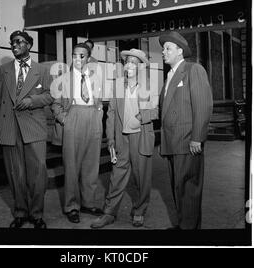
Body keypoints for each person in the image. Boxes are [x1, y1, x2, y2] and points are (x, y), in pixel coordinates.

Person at [0, 30, 53, 229]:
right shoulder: (2, 70)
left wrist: (31, 101)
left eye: (19, 41)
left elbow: (50, 96)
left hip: (33, 126)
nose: (14, 45)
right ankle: (20, 212)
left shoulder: (41, 69)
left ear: (29, 45)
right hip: (9, 128)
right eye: (12, 42)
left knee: (38, 173)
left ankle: (36, 215)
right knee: (15, 174)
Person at [91, 49, 158, 229]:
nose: (129, 65)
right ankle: (109, 213)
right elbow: (111, 113)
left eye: (134, 63)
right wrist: (111, 139)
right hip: (121, 138)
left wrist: (140, 117)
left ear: (140, 67)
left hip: (141, 136)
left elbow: (156, 110)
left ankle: (139, 210)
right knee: (117, 176)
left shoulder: (149, 86)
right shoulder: (118, 85)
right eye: (127, 62)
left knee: (141, 176)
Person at [159, 31, 213, 230]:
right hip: (173, 142)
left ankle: (189, 231)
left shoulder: (193, 70)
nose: (163, 52)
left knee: (188, 189)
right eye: (163, 49)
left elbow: (203, 105)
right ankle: (184, 225)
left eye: (168, 48)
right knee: (178, 188)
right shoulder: (170, 75)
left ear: (180, 51)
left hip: (188, 141)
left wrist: (197, 138)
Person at [51, 43, 103, 224]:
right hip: (73, 118)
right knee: (72, 167)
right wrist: (65, 119)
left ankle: (88, 203)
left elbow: (99, 101)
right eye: (75, 55)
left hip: (93, 119)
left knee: (91, 165)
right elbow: (55, 105)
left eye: (82, 56)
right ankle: (72, 206)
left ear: (88, 59)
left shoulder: (95, 78)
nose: (78, 59)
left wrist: (99, 112)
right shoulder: (63, 79)